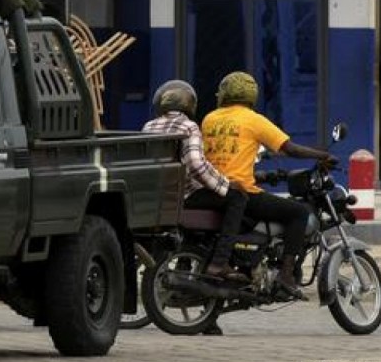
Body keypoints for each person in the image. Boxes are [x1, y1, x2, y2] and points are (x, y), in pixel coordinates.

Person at [200, 71, 338, 300]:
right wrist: (323, 156)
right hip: (241, 192)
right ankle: (286, 276)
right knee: (298, 212)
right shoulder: (253, 119)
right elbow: (289, 148)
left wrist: (262, 176)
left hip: (215, 189)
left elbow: (226, 158)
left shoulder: (209, 119)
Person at [142, 80, 248, 283]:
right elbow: (196, 164)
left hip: (160, 196)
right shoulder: (188, 126)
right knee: (237, 198)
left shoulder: (149, 126)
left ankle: (185, 263)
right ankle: (220, 262)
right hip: (184, 195)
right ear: (189, 104)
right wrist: (224, 185)